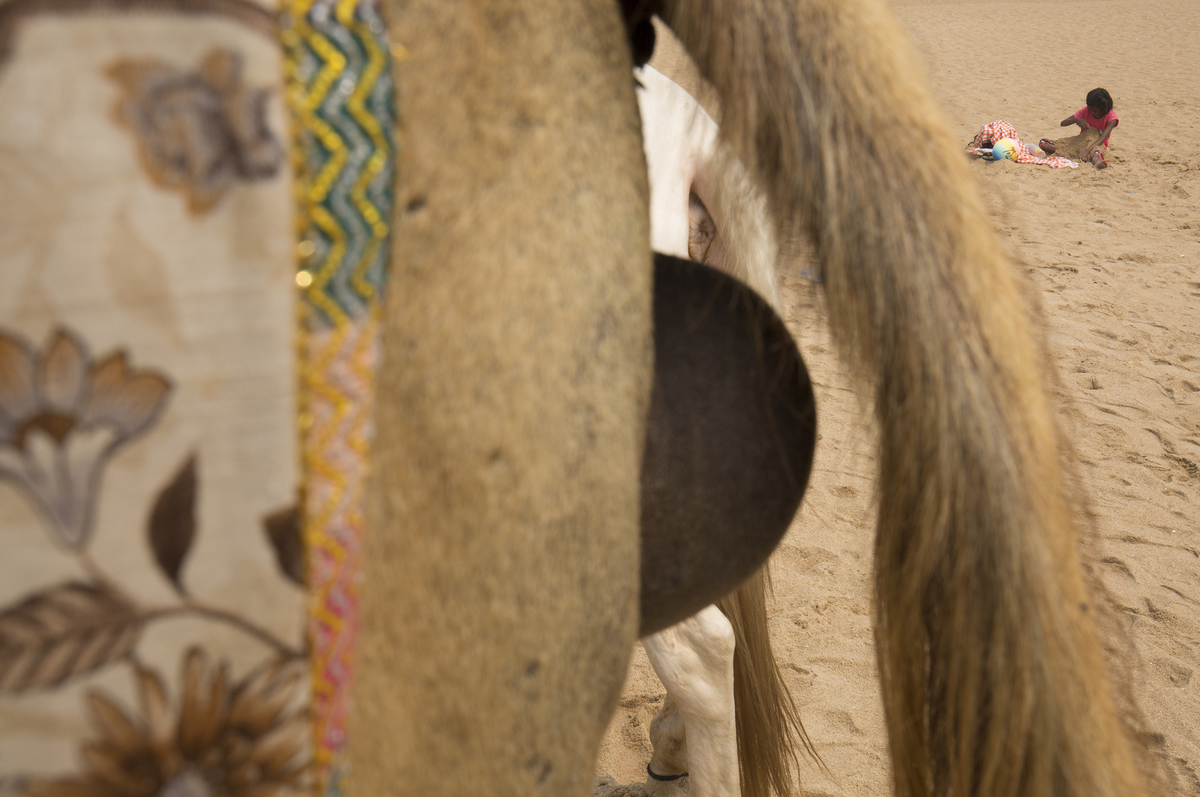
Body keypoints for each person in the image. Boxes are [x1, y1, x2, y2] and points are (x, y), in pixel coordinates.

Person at [1040, 88, 1119, 168]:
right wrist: (1076, 120)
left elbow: (1102, 138)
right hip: (1079, 144)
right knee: (1043, 142)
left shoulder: (1111, 117)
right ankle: (1066, 152)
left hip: (1095, 146)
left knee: (1096, 153)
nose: (1092, 113)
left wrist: (1087, 151)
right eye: (1090, 110)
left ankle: (1098, 162)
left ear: (1103, 109)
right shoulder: (1086, 111)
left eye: (1095, 111)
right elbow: (1063, 123)